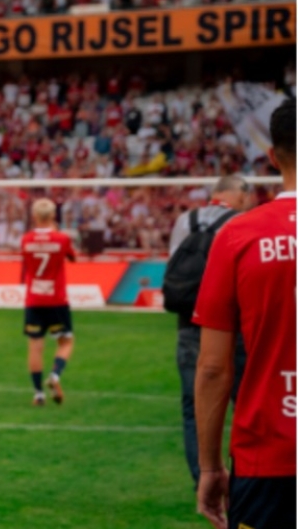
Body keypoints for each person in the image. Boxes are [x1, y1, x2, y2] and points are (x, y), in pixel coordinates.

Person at [194, 101, 296, 529]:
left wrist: (210, 466)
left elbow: (215, 368)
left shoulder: (238, 234)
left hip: (267, 457)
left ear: (272, 157)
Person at [167, 174, 249, 487]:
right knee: (244, 401)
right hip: (232, 325)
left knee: (193, 406)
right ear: (239, 196)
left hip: (189, 323)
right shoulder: (241, 221)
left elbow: (172, 266)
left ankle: (202, 477)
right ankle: (247, 472)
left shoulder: (185, 220)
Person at [20, 198, 77, 406]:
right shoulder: (62, 238)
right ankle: (54, 376)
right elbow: (72, 258)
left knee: (35, 346)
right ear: (53, 216)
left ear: (34, 216)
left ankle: (38, 394)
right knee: (66, 342)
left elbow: (27, 262)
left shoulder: (26, 239)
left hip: (34, 299)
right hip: (56, 300)